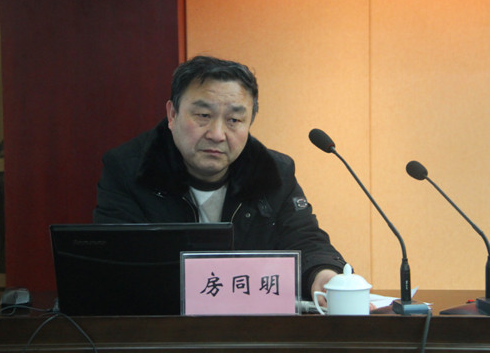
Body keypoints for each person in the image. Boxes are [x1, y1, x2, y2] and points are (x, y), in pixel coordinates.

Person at [93, 55, 346, 302]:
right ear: (172, 114)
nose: (217, 134)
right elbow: (115, 261)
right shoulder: (128, 170)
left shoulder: (274, 173)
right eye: (203, 115)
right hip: (160, 321)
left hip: (250, 323)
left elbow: (305, 239)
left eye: (234, 120)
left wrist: (323, 274)